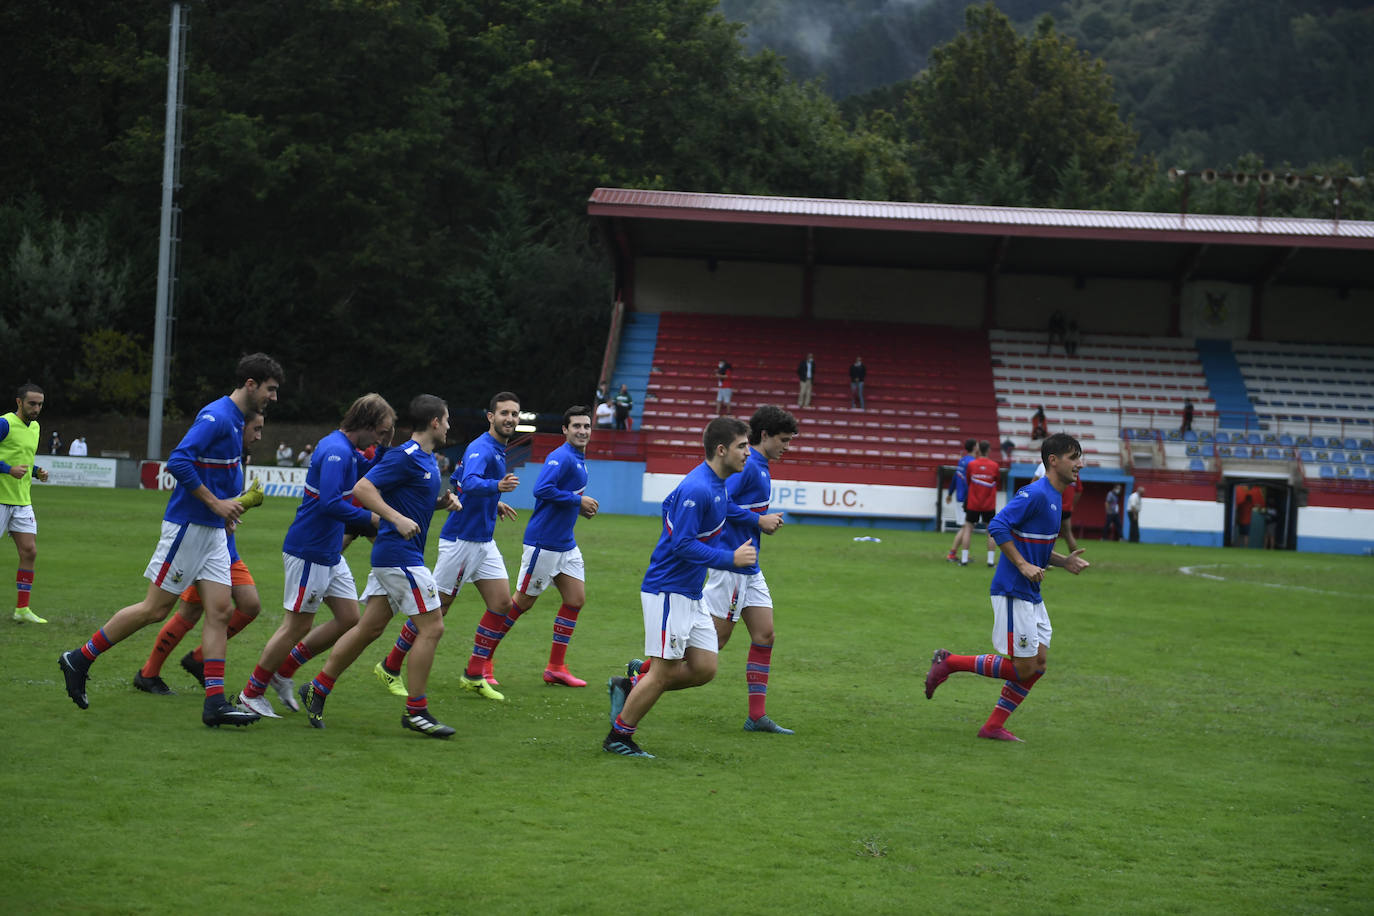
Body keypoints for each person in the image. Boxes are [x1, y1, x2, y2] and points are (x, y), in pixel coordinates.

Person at [58, 352, 283, 727]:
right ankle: (79, 658)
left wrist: (227, 513)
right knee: (154, 609)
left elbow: (218, 476)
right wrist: (215, 504)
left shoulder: (235, 420)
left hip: (211, 532)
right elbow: (178, 461)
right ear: (250, 384)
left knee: (221, 611)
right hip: (188, 528)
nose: (273, 397)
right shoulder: (216, 416)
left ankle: (214, 704)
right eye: (270, 389)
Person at [298, 394, 462, 738]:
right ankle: (416, 712)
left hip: (396, 556)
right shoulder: (406, 456)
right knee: (433, 628)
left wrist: (439, 504)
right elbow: (363, 487)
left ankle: (318, 687)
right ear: (434, 422)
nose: (449, 426)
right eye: (446, 420)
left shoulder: (428, 460)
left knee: (368, 629)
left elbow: (408, 503)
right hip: (399, 557)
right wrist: (395, 517)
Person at [603, 416, 760, 758]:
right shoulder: (698, 488)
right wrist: (729, 558)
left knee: (704, 668)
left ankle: (631, 683)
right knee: (663, 673)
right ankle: (619, 737)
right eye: (742, 447)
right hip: (668, 591)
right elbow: (682, 545)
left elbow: (668, 509)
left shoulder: (716, 485)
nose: (748, 453)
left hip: (690, 592)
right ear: (722, 450)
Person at [234, 394, 396, 719]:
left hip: (328, 551)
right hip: (310, 549)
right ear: (364, 424)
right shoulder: (336, 451)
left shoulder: (347, 450)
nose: (380, 438)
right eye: (379, 432)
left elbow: (370, 469)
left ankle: (283, 673)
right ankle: (251, 693)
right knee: (296, 626)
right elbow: (330, 504)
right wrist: (372, 520)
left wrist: (385, 446)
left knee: (349, 617)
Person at [634, 405, 792, 733]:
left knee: (765, 634)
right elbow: (717, 503)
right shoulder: (745, 469)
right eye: (783, 440)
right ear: (765, 436)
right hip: (730, 565)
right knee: (713, 644)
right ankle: (641, 676)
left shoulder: (757, 466)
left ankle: (756, 716)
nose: (786, 447)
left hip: (748, 565)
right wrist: (757, 520)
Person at [924, 433, 1091, 742]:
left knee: (1037, 665)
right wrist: (1023, 566)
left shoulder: (1055, 496)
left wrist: (1063, 561)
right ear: (1053, 461)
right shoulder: (1037, 494)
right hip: (1013, 589)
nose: (1080, 463)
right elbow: (998, 525)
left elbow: (1033, 548)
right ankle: (949, 663)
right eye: (1073, 457)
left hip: (1031, 592)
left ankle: (992, 727)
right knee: (1025, 667)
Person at [373, 392, 520, 702]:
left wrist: (494, 502)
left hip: (482, 539)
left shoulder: (495, 448)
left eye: (515, 414)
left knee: (502, 603)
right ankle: (390, 665)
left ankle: (473, 673)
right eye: (504, 413)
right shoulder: (482, 447)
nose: (510, 418)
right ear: (490, 417)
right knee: (435, 610)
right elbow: (469, 482)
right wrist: (496, 488)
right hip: (461, 541)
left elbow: (457, 480)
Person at [133, 411, 268, 695]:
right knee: (184, 611)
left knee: (249, 605)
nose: (258, 436)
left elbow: (224, 503)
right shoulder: (217, 444)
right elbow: (205, 492)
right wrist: (246, 502)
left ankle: (198, 658)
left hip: (224, 546)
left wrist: (234, 511)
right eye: (255, 429)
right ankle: (149, 672)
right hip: (203, 544)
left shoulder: (238, 457)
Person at [505, 405, 600, 688]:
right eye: (576, 427)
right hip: (544, 542)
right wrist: (577, 502)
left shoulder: (578, 458)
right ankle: (480, 661)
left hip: (565, 544)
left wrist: (577, 506)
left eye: (586, 426)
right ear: (565, 430)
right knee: (522, 603)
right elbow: (542, 490)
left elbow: (562, 495)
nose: (582, 431)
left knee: (575, 600)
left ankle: (556, 667)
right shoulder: (560, 456)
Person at [1, 383, 50, 624]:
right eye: (32, 403)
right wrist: (7, 469)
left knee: (29, 551)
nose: (37, 408)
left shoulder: (36, 427)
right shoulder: (5, 423)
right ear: (19, 402)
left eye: (40, 404)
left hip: (21, 501)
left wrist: (36, 471)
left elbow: (22, 460)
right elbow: (10, 464)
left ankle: (22, 609)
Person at [957, 440, 1000, 567]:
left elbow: (968, 481)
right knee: (991, 531)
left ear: (978, 450)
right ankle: (990, 561)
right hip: (989, 504)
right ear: (989, 450)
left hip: (973, 503)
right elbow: (997, 480)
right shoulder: (994, 466)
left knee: (968, 529)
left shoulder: (972, 465)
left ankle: (964, 560)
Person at [944, 439, 976, 563]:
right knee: (966, 527)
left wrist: (950, 493)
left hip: (959, 496)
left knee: (966, 526)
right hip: (967, 498)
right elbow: (970, 482)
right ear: (974, 447)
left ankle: (963, 553)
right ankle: (953, 553)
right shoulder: (972, 462)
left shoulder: (962, 460)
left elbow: (955, 478)